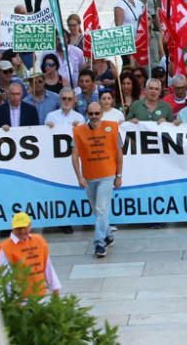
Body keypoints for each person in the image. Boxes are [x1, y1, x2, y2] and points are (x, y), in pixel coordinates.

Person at [71, 102, 123, 258]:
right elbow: (74, 155)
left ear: (102, 114)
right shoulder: (79, 131)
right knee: (97, 210)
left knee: (101, 209)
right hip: (89, 175)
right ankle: (107, 234)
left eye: (97, 113)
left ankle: (99, 243)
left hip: (107, 174)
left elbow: (119, 153)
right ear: (87, 114)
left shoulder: (112, 127)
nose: (94, 117)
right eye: (91, 114)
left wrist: (119, 175)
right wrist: (79, 176)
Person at [0, 212, 60, 296]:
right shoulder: (5, 248)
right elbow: (6, 277)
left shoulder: (39, 241)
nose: (22, 230)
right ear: (13, 228)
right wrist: (14, 299)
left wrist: (55, 289)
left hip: (40, 296)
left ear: (30, 226)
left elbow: (48, 267)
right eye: (18, 228)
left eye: (24, 227)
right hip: (21, 299)